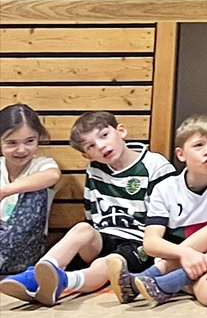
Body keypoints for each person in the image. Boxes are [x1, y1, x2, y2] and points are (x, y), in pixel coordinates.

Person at [0, 110, 175, 305]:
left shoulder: (154, 165)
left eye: (104, 135)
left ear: (121, 131)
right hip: (104, 236)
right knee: (82, 229)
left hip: (139, 242)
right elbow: (92, 215)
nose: (101, 146)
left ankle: (64, 281)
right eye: (91, 145)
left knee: (108, 263)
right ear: (87, 155)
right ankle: (36, 274)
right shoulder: (95, 168)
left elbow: (168, 215)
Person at [124, 115, 207, 312]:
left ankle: (159, 282)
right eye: (199, 145)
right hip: (176, 258)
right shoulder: (165, 188)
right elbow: (150, 243)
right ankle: (165, 277)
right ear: (181, 154)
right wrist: (184, 253)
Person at [0, 104, 60, 277]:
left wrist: (5, 191)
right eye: (12, 143)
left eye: (30, 141)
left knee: (36, 189)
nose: (21, 149)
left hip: (23, 250)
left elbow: (53, 176)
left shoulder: (42, 165)